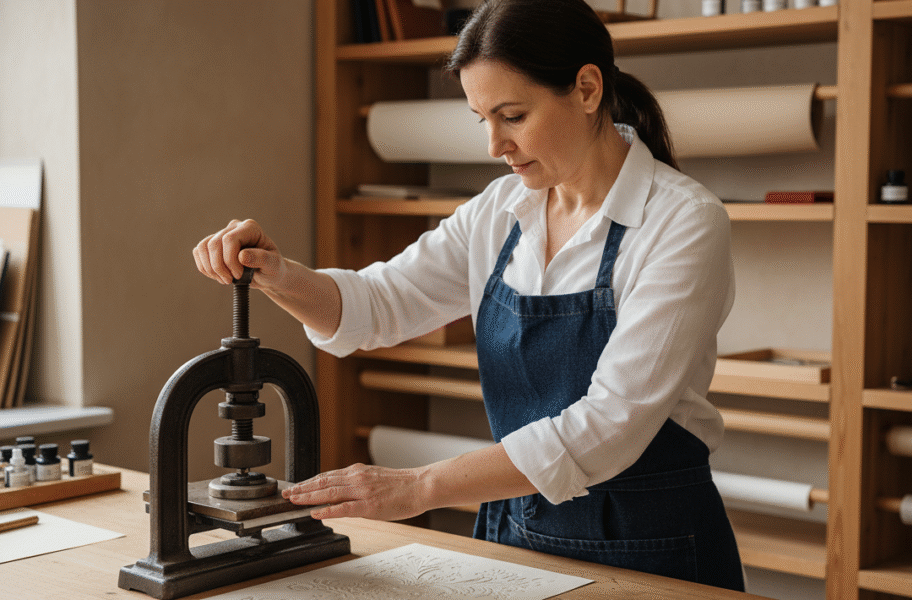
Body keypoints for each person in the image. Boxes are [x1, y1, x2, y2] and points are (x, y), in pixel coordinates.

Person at [193, 0, 743, 591]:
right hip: (512, 528)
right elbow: (376, 305)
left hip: (650, 543)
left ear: (586, 89)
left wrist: (417, 487)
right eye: (481, 118)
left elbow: (610, 425)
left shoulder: (683, 221)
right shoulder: (497, 213)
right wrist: (278, 274)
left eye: (511, 115)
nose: (494, 146)